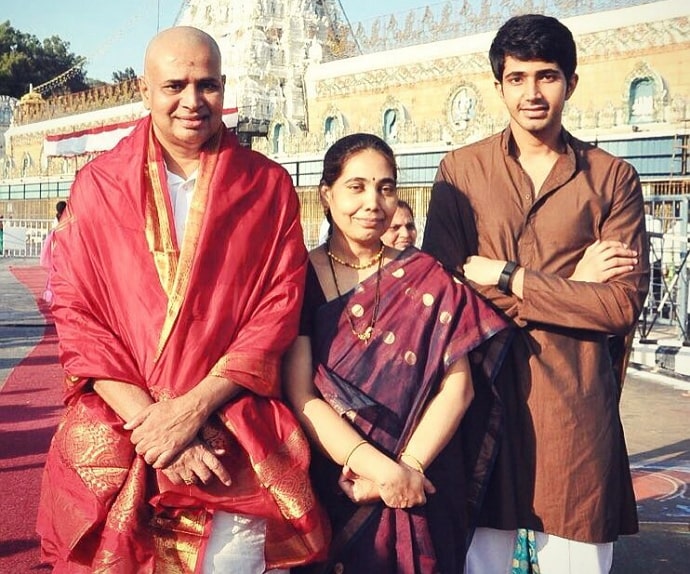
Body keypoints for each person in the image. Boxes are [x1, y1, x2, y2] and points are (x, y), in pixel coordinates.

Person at [36, 26, 329, 573]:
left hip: (229, 428)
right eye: (175, 85)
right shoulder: (97, 186)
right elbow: (78, 315)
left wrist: (191, 410)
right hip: (126, 427)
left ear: (224, 88)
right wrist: (154, 425)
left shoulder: (267, 186)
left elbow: (279, 307)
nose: (192, 102)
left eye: (207, 85)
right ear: (144, 92)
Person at [422, 14, 649, 574]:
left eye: (546, 76)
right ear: (498, 85)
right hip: (479, 400)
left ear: (571, 83)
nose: (532, 93)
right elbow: (444, 291)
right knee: (479, 563)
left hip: (574, 407)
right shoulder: (462, 172)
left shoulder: (611, 178)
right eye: (517, 77)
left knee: (580, 562)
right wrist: (573, 290)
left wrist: (508, 277)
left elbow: (620, 305)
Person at [283, 133, 508, 572]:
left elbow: (457, 387)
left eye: (386, 188)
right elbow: (301, 394)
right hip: (337, 481)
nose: (373, 202)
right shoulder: (297, 277)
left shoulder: (425, 276)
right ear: (326, 194)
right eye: (356, 187)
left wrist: (406, 469)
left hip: (420, 481)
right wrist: (378, 472)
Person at [40, 201, 68, 304]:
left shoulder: (57, 220)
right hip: (62, 251)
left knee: (54, 274)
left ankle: (52, 295)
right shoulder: (67, 219)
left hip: (56, 250)